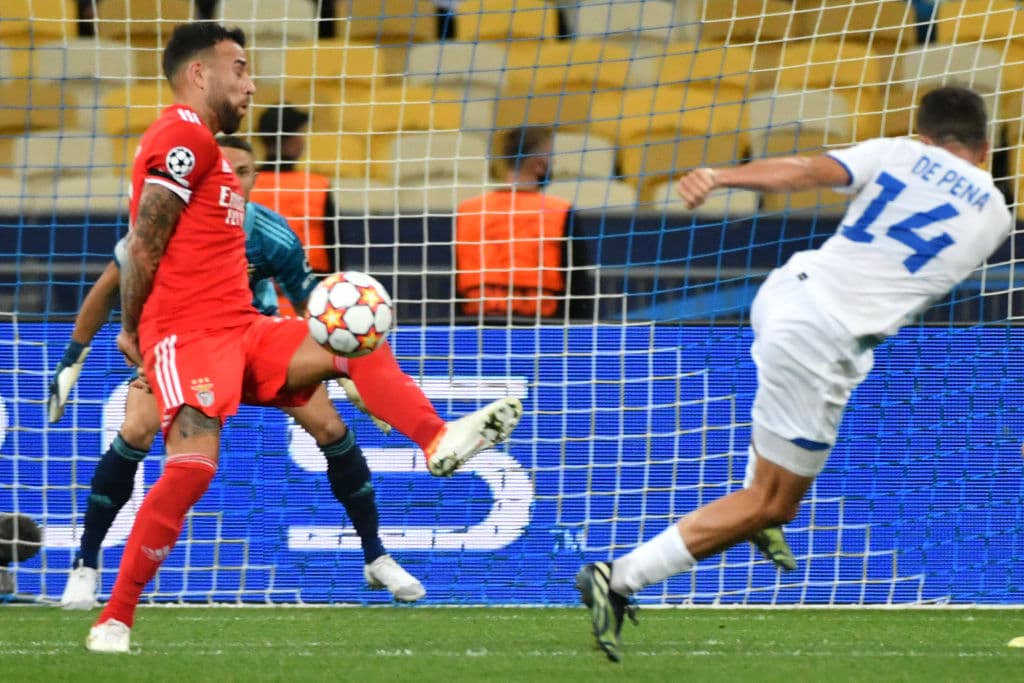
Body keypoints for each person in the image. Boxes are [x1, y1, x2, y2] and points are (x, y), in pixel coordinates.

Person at [81, 22, 520, 653]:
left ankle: (436, 438)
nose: (251, 84)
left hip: (244, 329)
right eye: (240, 68)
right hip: (189, 337)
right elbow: (145, 240)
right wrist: (131, 328)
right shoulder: (179, 135)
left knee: (351, 338)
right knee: (192, 470)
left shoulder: (211, 152)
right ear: (200, 73)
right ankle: (114, 617)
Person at [575, 86, 1012, 662]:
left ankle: (756, 507)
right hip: (820, 339)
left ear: (924, 135)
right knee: (773, 502)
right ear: (985, 149)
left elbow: (806, 171)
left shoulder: (894, 152)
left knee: (783, 465)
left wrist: (721, 177)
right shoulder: (997, 216)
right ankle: (619, 578)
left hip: (786, 292)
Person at [51, 135, 432, 611]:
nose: (233, 178)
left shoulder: (272, 233)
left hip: (256, 343)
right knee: (135, 429)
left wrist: (353, 373)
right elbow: (109, 287)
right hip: (188, 350)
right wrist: (73, 359)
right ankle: (85, 565)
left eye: (244, 170)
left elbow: (317, 308)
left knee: (331, 428)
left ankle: (376, 557)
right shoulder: (174, 224)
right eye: (224, 169)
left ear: (255, 176)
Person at [454, 125, 595, 323]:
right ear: (539, 164)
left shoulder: (469, 210)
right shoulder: (560, 212)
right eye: (550, 157)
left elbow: (458, 284)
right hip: (543, 330)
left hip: (478, 328)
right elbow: (579, 289)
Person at [250, 104, 338, 277]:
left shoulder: (246, 184)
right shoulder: (317, 186)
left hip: (257, 293)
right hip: (310, 292)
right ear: (294, 140)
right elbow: (335, 251)